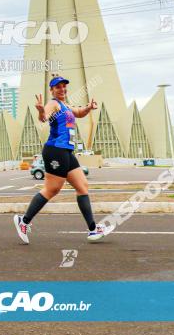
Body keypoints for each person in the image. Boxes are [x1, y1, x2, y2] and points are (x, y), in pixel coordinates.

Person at [14, 76, 106, 244]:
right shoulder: (53, 104)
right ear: (52, 90)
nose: (62, 89)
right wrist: (41, 110)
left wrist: (89, 108)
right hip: (55, 150)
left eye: (64, 86)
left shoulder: (67, 106)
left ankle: (93, 230)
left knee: (82, 186)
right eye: (58, 87)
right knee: (51, 190)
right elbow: (44, 118)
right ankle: (24, 221)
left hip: (66, 152)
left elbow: (79, 113)